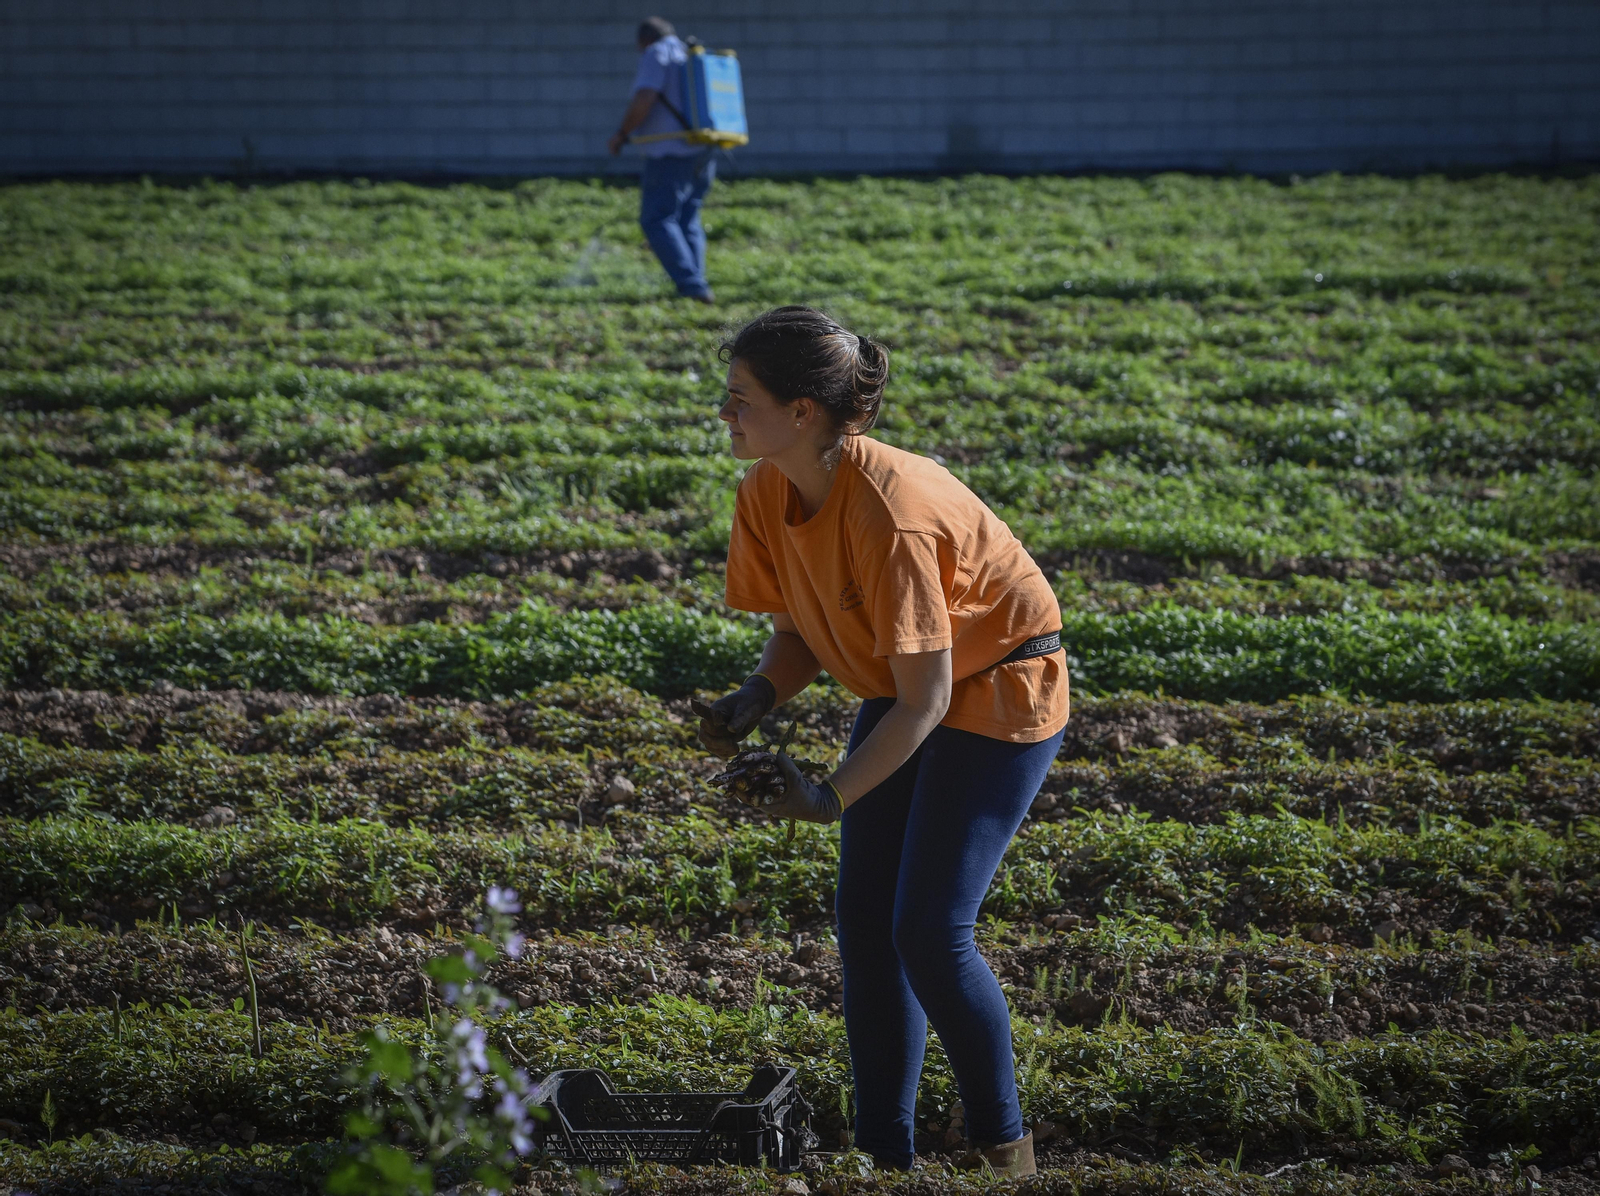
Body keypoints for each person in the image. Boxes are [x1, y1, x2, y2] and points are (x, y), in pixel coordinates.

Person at [693, 306, 1071, 1176]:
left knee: (931, 930)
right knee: (865, 925)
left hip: (998, 685)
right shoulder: (766, 489)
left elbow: (926, 700)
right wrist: (755, 695)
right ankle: (882, 1156)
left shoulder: (890, 515)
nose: (725, 411)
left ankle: (1003, 1152)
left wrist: (827, 797)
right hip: (907, 687)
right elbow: (798, 629)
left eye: (739, 396)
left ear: (803, 413)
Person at [608, 16, 715, 303]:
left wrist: (621, 133)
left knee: (656, 218)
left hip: (671, 154)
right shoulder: (688, 53)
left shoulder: (657, 53)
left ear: (644, 40)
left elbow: (645, 96)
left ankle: (691, 286)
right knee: (686, 219)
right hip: (703, 150)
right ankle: (697, 285)